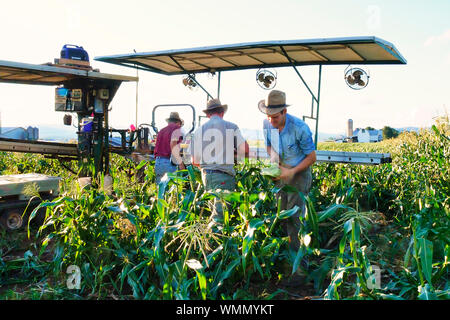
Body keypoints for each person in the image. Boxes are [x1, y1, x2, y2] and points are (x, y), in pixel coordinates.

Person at [258, 90, 316, 252]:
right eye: (268, 116)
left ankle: (298, 264)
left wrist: (291, 171)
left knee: (295, 218)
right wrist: (276, 159)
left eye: (275, 117)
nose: (271, 120)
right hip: (280, 173)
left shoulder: (300, 128)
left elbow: (311, 157)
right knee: (281, 214)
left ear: (284, 111)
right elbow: (269, 145)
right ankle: (285, 255)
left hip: (298, 175)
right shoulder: (266, 124)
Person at [191, 98, 249, 228]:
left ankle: (210, 243)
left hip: (206, 176)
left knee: (214, 212)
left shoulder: (199, 130)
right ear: (222, 112)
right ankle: (213, 246)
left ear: (208, 114)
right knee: (220, 219)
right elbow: (245, 150)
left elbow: (194, 161)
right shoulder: (231, 127)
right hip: (223, 177)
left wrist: (209, 165)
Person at [154, 111, 185, 185]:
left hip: (158, 162)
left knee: (160, 189)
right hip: (169, 163)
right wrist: (181, 164)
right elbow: (173, 144)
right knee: (172, 190)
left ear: (169, 122)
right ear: (178, 122)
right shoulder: (177, 128)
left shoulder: (161, 131)